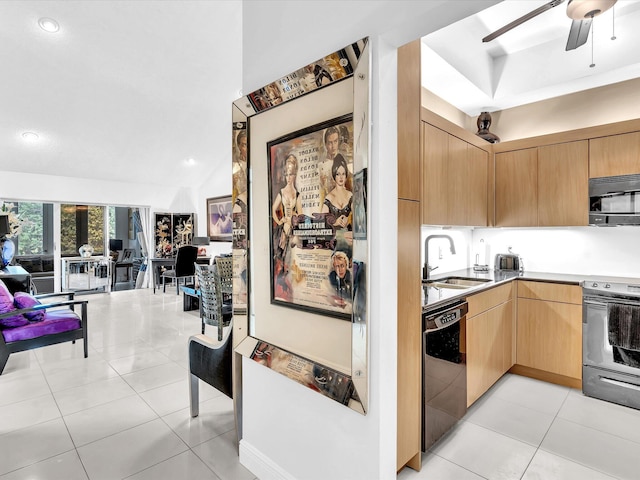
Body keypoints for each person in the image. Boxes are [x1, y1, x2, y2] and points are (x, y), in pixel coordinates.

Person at [271, 154, 302, 260]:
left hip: (292, 228)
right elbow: (273, 210)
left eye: (291, 175)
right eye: (286, 175)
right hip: (284, 228)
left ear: (294, 175)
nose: (288, 178)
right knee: (281, 256)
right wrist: (280, 221)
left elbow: (301, 215)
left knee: (291, 258)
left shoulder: (297, 194)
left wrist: (295, 215)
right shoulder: (282, 192)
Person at [321, 155, 352, 231]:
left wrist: (348, 218)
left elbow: (358, 216)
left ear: (346, 175)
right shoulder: (329, 198)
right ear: (334, 175)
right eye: (338, 174)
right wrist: (335, 222)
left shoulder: (350, 195)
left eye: (343, 174)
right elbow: (322, 221)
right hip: (333, 240)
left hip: (350, 238)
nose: (341, 177)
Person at [319, 126, 343, 203]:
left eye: (335, 141)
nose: (333, 146)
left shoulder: (343, 163)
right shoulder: (321, 166)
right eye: (330, 143)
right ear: (326, 144)